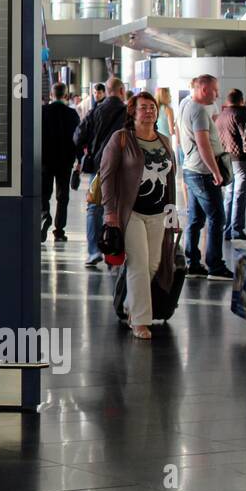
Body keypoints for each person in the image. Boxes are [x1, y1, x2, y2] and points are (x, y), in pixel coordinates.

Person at [101, 92, 178, 340]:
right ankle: (140, 321)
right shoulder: (122, 139)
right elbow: (107, 176)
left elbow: (169, 179)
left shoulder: (164, 141)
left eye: (152, 108)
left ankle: (128, 304)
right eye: (143, 108)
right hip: (130, 211)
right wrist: (110, 212)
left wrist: (172, 212)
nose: (149, 112)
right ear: (133, 112)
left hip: (159, 213)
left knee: (153, 264)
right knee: (139, 264)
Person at [178, 74, 232, 279]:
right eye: (215, 90)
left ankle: (192, 263)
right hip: (203, 172)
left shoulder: (185, 104)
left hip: (191, 169)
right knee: (217, 217)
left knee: (195, 219)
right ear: (203, 90)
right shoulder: (199, 111)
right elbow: (203, 144)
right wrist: (216, 172)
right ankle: (215, 266)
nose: (218, 94)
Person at [74, 77, 128, 267]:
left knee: (94, 207)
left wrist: (84, 154)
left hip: (99, 168)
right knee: (120, 208)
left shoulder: (96, 111)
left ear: (106, 91)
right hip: (122, 167)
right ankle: (115, 251)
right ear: (121, 91)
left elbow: (78, 137)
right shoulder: (127, 113)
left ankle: (93, 251)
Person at [42, 82, 79, 243]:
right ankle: (59, 230)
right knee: (63, 196)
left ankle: (44, 215)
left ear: (51, 95)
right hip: (65, 161)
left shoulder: (43, 112)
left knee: (44, 193)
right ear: (65, 96)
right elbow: (77, 138)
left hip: (45, 160)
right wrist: (79, 159)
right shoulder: (72, 114)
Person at [215, 89, 246, 242]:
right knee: (240, 194)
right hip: (240, 159)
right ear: (241, 100)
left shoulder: (221, 116)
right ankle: (236, 228)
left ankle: (227, 228)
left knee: (230, 194)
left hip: (225, 158)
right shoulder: (241, 115)